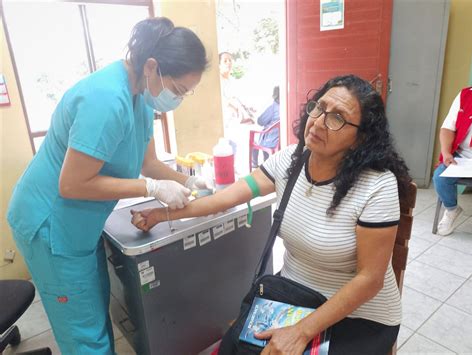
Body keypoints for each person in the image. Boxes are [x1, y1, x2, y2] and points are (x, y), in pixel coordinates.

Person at [131, 75, 412, 354]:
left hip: (358, 317)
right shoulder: (290, 160)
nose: (318, 121)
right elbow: (222, 200)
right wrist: (163, 214)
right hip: (293, 297)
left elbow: (370, 280)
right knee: (234, 348)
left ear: (360, 138)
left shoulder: (377, 185)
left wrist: (300, 332)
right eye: (319, 107)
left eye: (337, 117)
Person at [7, 17, 209, 354]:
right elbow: (72, 183)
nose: (179, 99)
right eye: (178, 90)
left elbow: (150, 163)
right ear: (153, 66)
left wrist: (186, 178)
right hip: (50, 225)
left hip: (79, 225)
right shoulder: (105, 99)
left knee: (94, 308)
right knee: (84, 334)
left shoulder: (142, 95)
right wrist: (151, 189)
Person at [432, 86, 472, 236]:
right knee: (440, 177)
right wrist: (446, 152)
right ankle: (452, 209)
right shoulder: (466, 95)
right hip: (462, 157)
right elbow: (447, 129)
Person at [251, 86, 280, 168]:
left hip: (270, 140)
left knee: (255, 140)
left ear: (275, 95)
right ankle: (266, 163)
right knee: (263, 137)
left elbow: (260, 121)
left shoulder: (273, 107)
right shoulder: (286, 106)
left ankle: (254, 163)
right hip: (279, 139)